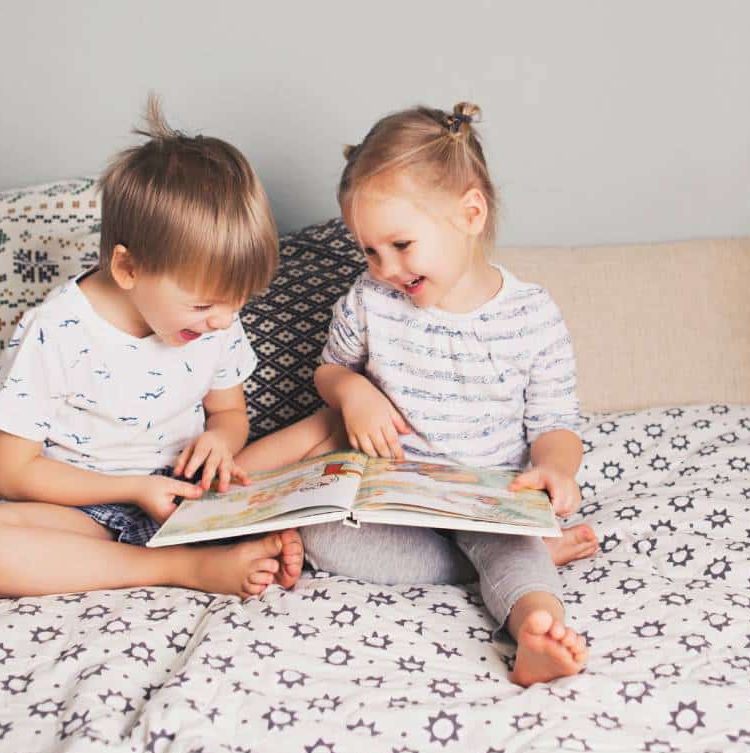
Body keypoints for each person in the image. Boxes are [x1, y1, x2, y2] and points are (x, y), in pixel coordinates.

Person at [236, 102, 597, 686]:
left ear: (470, 213)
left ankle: (535, 630)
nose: (384, 267)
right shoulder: (369, 300)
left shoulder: (531, 316)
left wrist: (555, 470)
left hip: (484, 499)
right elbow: (328, 372)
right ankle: (495, 566)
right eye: (369, 251)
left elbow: (556, 424)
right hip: (391, 489)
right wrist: (353, 391)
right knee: (320, 531)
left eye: (401, 245)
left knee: (511, 552)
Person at [0, 97, 304, 599]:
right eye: (205, 306)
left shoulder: (215, 318)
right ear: (128, 269)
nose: (224, 320)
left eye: (237, 303)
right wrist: (134, 490)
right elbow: (12, 474)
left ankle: (242, 531)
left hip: (190, 494)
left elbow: (229, 412)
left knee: (329, 426)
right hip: (88, 507)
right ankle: (183, 568)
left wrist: (222, 441)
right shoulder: (55, 330)